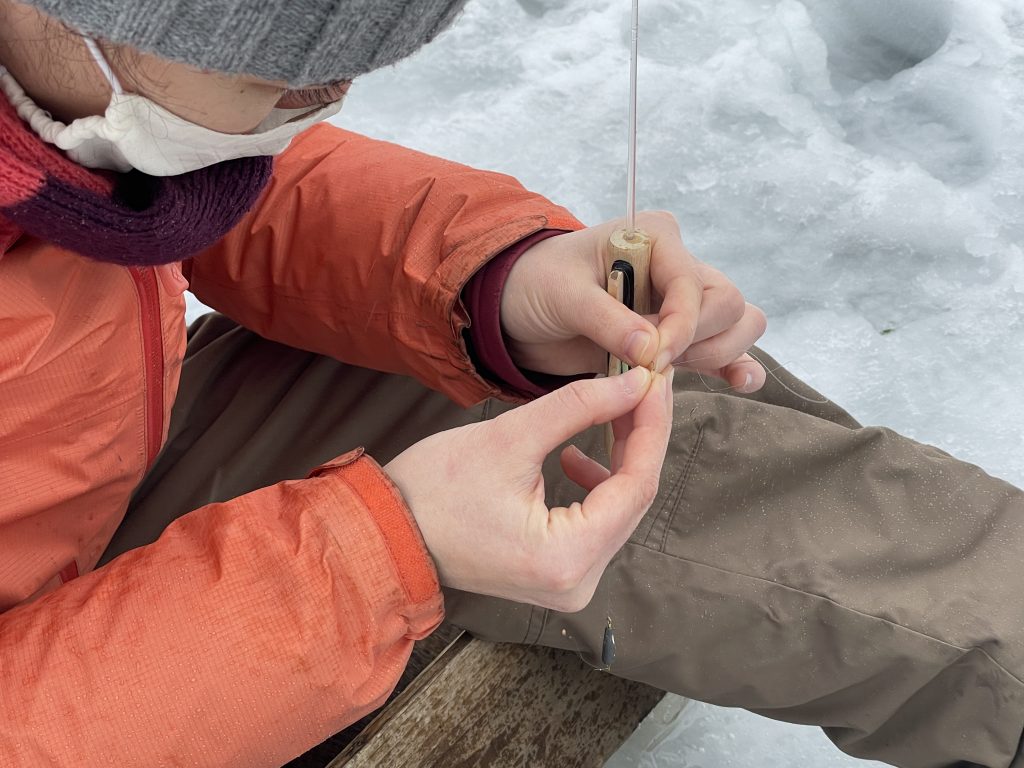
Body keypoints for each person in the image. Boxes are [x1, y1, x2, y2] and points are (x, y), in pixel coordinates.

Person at [0, 1, 1021, 767]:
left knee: (558, 396)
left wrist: (491, 283)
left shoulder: (65, 82)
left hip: (81, 497)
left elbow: (194, 199)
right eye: (273, 78)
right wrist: (370, 553)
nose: (326, 98)